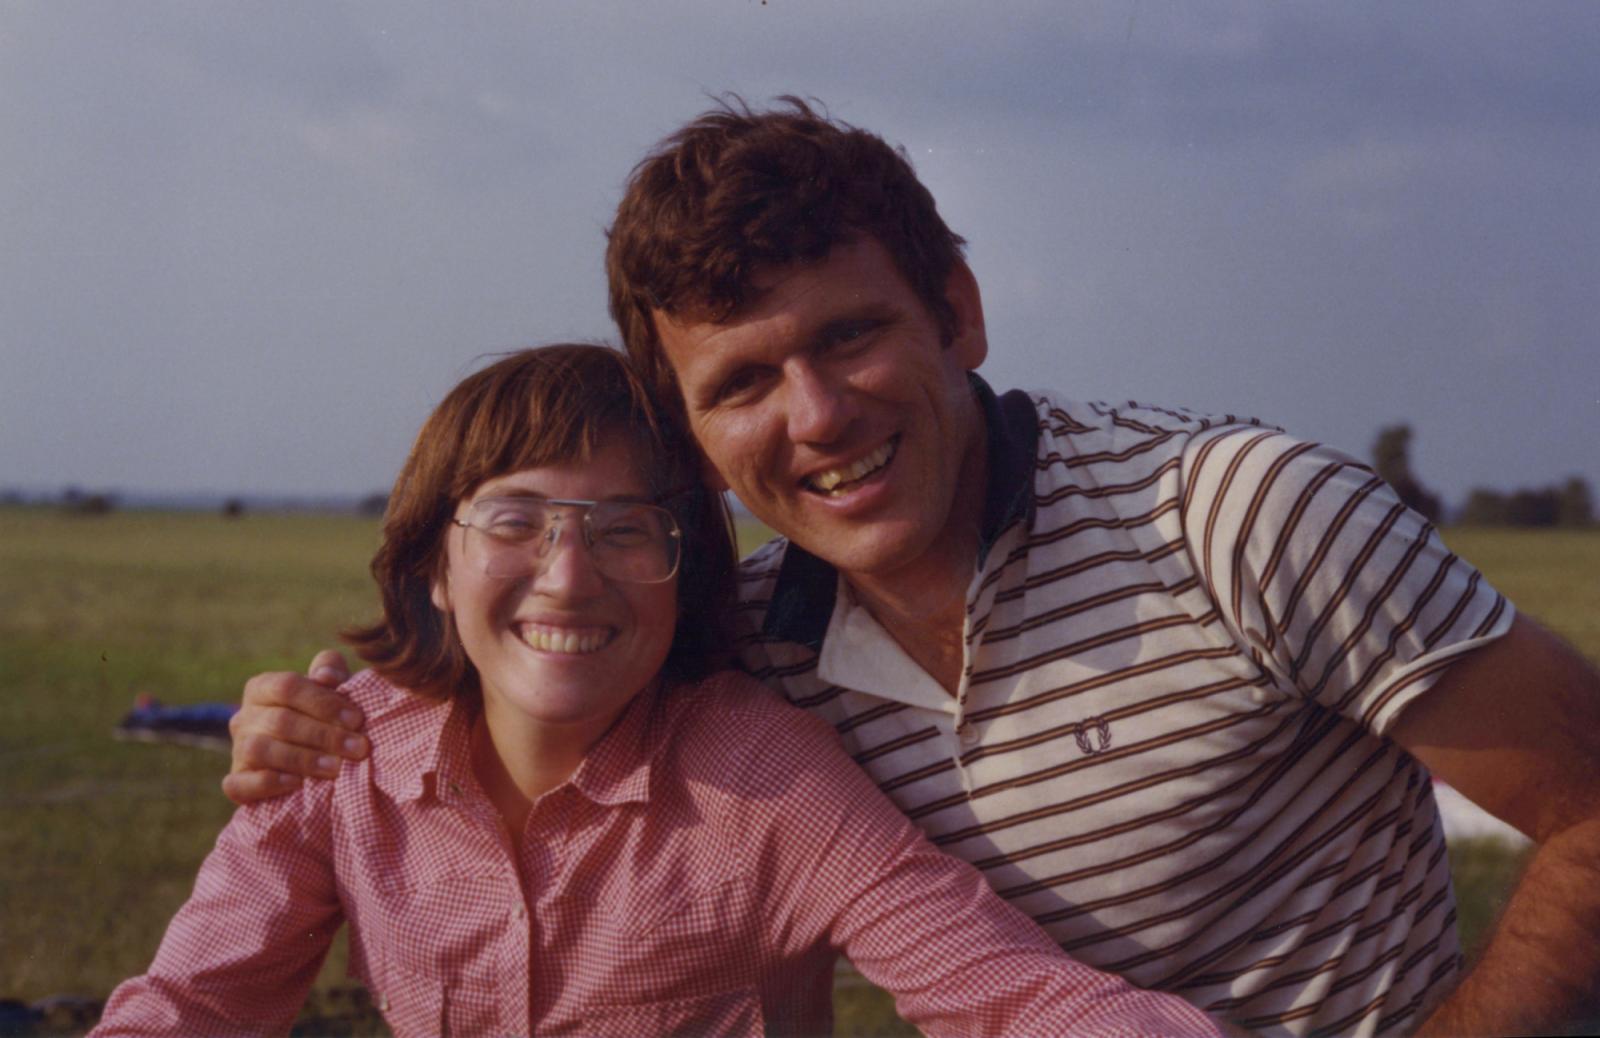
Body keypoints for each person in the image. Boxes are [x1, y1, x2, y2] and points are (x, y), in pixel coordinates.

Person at [227, 99, 1600, 1037]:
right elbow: (525, 691)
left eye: (851, 336)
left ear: (958, 312)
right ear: (693, 436)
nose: (818, 415)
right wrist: (313, 728)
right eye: (742, 381)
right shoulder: (740, 643)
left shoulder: (1234, 517)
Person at [95, 345, 1227, 1038]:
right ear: (433, 563)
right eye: (516, 520)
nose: (567, 577)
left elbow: (1010, 994)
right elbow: (190, 1008)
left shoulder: (765, 780)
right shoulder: (337, 754)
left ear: (687, 575)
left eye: (626, 530)